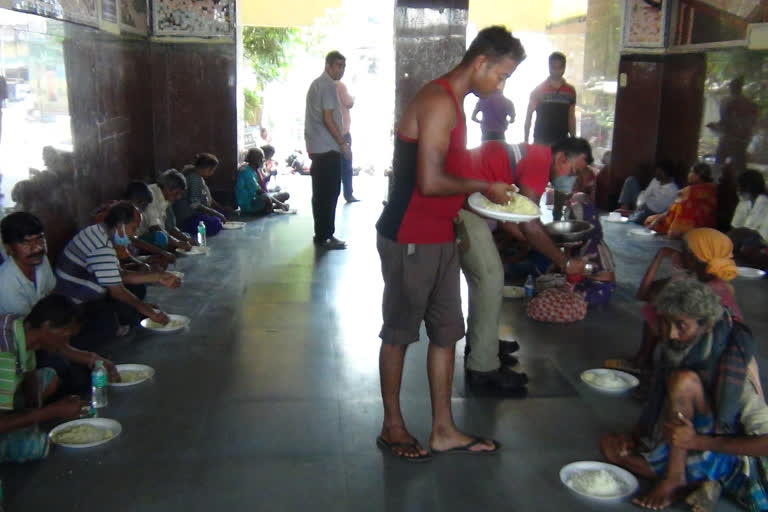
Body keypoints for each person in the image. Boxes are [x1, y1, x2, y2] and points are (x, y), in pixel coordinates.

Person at [375, 25, 524, 461]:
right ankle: (393, 426)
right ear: (481, 62)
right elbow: (430, 180)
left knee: (446, 334)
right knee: (400, 333)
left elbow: (451, 178)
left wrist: (489, 197)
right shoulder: (439, 101)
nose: (500, 86)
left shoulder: (456, 104)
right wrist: (486, 185)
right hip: (410, 236)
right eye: (501, 76)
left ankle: (443, 429)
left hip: (440, 234)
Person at [601, 279, 768, 511]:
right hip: (688, 435)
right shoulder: (685, 348)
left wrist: (697, 441)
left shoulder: (734, 363)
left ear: (707, 325)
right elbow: (660, 406)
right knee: (612, 447)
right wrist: (636, 435)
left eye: (681, 326)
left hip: (725, 447)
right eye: (666, 324)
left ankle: (676, 478)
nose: (671, 334)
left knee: (683, 381)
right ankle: (693, 478)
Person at [458, 138, 591, 391]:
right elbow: (529, 224)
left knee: (486, 279)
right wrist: (563, 261)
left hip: (470, 202)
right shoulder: (540, 161)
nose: (571, 179)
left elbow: (513, 222)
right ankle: (482, 368)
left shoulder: (531, 155)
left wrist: (542, 244)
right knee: (490, 277)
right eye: (572, 171)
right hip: (460, 203)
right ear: (561, 158)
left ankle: (482, 344)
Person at [0, 213, 117, 394]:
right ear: (9, 248)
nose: (36, 248)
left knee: (102, 317)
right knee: (68, 371)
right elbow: (39, 336)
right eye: (25, 243)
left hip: (46, 334)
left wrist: (69, 329)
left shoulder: (40, 261)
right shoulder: (6, 284)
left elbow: (53, 298)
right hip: (26, 347)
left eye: (39, 239)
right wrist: (89, 358)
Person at [605, 228, 741, 376]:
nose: (679, 254)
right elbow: (645, 294)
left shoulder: (712, 290)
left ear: (695, 257)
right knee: (654, 306)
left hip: (707, 352)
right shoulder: (693, 277)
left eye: (684, 250)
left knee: (661, 310)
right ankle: (644, 361)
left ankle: (652, 366)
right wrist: (660, 256)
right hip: (692, 341)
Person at [55, 202, 180, 350]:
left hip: (91, 291)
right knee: (109, 324)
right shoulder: (101, 245)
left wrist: (158, 276)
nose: (133, 234)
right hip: (74, 303)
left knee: (136, 292)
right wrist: (149, 311)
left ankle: (126, 316)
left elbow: (118, 274)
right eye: (133, 228)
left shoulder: (99, 231)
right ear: (120, 225)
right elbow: (117, 290)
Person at [0, 295, 90, 463]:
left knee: (49, 376)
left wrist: (34, 410)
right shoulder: (4, 354)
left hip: (5, 393)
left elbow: (29, 373)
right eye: (65, 335)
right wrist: (49, 412)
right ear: (46, 327)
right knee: (37, 445)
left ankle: (20, 422)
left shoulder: (19, 326)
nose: (67, 341)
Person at [304, 51, 350, 249]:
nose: (341, 70)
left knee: (321, 194)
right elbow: (328, 118)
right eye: (338, 66)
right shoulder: (328, 86)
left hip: (318, 148)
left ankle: (321, 234)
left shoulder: (317, 84)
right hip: (328, 149)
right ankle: (326, 236)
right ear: (328, 66)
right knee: (330, 194)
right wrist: (342, 143)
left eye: (343, 67)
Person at [644, 163, 717, 238]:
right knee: (652, 220)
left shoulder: (689, 191)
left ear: (697, 175)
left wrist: (659, 219)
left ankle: (677, 232)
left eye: (691, 172)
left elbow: (673, 208)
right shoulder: (712, 189)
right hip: (707, 226)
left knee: (649, 221)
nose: (689, 174)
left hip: (688, 226)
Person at [707, 77, 758, 174]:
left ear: (731, 88)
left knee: (719, 166)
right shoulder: (750, 104)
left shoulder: (727, 101)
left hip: (728, 139)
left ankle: (718, 184)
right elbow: (752, 123)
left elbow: (725, 122)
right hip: (742, 140)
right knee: (740, 167)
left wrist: (715, 126)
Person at [524, 52, 576, 146]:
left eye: (559, 67)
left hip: (562, 142)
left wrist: (573, 141)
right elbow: (528, 116)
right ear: (549, 67)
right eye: (553, 67)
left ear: (564, 68)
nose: (556, 71)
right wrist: (526, 142)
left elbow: (571, 117)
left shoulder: (570, 91)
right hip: (541, 141)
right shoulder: (538, 91)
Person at [173, 153, 228, 237]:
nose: (212, 173)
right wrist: (215, 213)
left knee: (222, 214)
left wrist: (217, 208)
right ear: (206, 168)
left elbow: (206, 195)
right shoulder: (194, 178)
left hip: (196, 214)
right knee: (216, 223)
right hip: (188, 218)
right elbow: (194, 204)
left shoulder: (198, 177)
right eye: (212, 170)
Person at [139, 169, 194, 252]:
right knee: (162, 238)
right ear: (166, 188)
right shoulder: (150, 194)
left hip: (159, 233)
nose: (178, 197)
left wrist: (186, 239)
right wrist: (177, 242)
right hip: (143, 236)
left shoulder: (167, 198)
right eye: (176, 193)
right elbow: (154, 228)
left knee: (185, 236)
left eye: (180, 194)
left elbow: (171, 227)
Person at [729, 169, 768, 263]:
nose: (738, 190)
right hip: (743, 246)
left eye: (740, 187)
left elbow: (763, 238)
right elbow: (735, 227)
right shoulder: (744, 202)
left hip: (759, 249)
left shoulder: (764, 204)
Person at [236, 147, 285, 215]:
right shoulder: (247, 172)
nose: (263, 161)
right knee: (266, 197)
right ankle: (271, 208)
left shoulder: (252, 170)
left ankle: (272, 207)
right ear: (256, 160)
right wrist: (280, 203)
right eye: (262, 159)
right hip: (248, 205)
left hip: (255, 199)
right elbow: (260, 192)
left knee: (284, 195)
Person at [336, 80, 359, 203]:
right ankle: (348, 194)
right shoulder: (340, 85)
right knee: (346, 165)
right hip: (343, 133)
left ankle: (334, 194)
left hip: (329, 134)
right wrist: (353, 98)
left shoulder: (322, 86)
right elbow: (349, 103)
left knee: (334, 165)